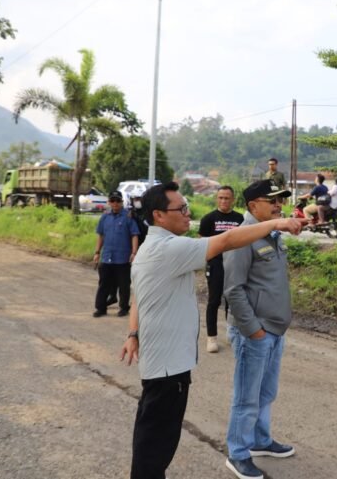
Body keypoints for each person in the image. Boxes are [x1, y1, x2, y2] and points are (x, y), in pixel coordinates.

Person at [119, 181, 305, 479]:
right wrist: (278, 223)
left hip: (168, 362)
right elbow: (226, 243)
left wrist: (132, 334)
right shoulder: (168, 248)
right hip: (168, 366)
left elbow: (137, 296)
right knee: (156, 440)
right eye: (181, 209)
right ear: (158, 215)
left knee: (155, 434)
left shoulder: (152, 247)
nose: (188, 213)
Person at [223, 180, 299, 479]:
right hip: (255, 332)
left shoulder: (271, 233)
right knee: (247, 397)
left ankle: (260, 440)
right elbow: (233, 289)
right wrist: (253, 330)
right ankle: (238, 453)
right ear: (253, 205)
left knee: (266, 392)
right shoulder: (242, 237)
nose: (279, 205)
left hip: (274, 329)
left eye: (281, 200)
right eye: (273, 201)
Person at [198, 186, 244, 353]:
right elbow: (202, 244)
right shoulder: (208, 219)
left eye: (227, 198)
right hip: (216, 264)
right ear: (217, 199)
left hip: (235, 265)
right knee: (214, 301)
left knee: (233, 301)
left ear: (233, 200)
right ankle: (211, 338)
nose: (224, 201)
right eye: (221, 197)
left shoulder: (240, 219)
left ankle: (232, 334)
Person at [92, 191, 140, 318]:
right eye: (112, 200)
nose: (115, 203)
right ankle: (101, 308)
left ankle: (123, 307)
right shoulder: (105, 217)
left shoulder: (128, 217)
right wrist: (97, 252)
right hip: (107, 257)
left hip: (123, 258)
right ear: (109, 202)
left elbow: (134, 235)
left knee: (124, 285)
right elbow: (101, 236)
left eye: (118, 201)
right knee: (104, 284)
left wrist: (134, 252)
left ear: (122, 202)